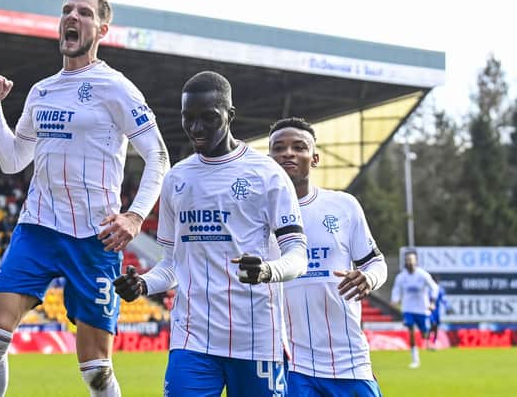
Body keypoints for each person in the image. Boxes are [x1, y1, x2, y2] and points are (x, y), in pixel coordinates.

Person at [0, 0, 169, 397]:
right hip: (39, 226)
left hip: (94, 237)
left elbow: (159, 156)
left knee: (96, 369)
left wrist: (135, 216)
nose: (72, 17)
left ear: (102, 28)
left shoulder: (117, 87)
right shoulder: (41, 91)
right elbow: (13, 160)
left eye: (83, 12)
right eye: (67, 10)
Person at [114, 71, 307, 397]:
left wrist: (266, 271)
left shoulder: (267, 175)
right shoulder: (176, 179)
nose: (196, 128)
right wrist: (144, 283)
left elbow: (298, 255)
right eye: (188, 119)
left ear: (230, 115)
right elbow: (173, 265)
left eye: (208, 118)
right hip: (192, 339)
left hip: (255, 338)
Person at [268, 117, 387, 397]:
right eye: (279, 148)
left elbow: (375, 262)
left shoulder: (343, 205)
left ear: (315, 157)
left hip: (350, 361)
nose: (288, 153)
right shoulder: (257, 215)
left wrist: (368, 277)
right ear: (268, 158)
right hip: (292, 364)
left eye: (299, 147)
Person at [391, 249, 438, 368]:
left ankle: (429, 338)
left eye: (412, 260)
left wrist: (432, 302)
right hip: (408, 309)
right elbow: (396, 289)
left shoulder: (423, 275)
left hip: (422, 309)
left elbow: (434, 288)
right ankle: (415, 360)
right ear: (405, 262)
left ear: (416, 261)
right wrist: (395, 299)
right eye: (407, 260)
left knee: (425, 335)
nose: (410, 263)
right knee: (411, 332)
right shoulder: (401, 277)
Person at [428, 275, 453, 348]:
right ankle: (429, 342)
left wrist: (448, 308)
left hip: (436, 312)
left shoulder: (439, 290)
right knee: (431, 325)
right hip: (428, 311)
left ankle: (433, 342)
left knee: (435, 327)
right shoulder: (427, 290)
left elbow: (444, 299)